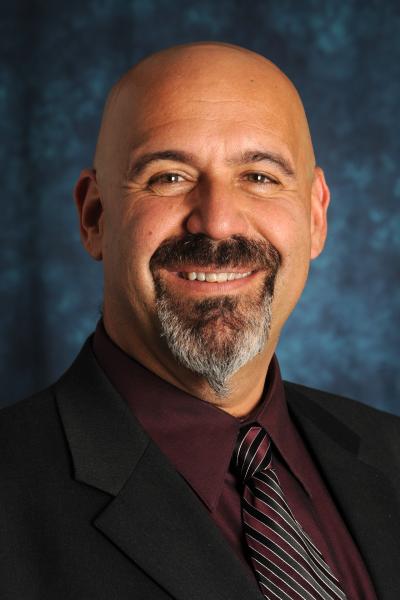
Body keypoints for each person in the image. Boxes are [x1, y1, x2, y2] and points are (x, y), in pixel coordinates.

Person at [1, 42, 399, 600]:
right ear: (94, 216)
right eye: (168, 176)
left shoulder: (390, 452)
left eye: (259, 177)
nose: (216, 222)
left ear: (314, 216)